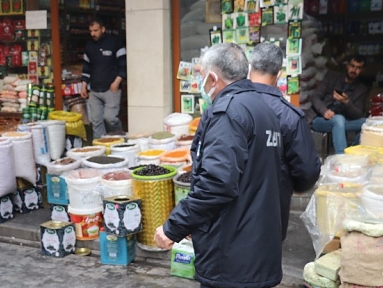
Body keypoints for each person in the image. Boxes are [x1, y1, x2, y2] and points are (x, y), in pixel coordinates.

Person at [154, 43, 284, 287]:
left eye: (202, 77)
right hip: (258, 249)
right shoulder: (263, 109)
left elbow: (216, 183)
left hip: (233, 257)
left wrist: (174, 227)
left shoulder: (228, 113)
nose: (203, 85)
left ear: (213, 78)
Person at [249, 43, 321, 240]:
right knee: (265, 265)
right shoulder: (290, 116)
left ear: (250, 68)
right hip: (271, 214)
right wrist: (293, 184)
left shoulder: (225, 106)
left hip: (229, 218)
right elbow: (307, 170)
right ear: (279, 74)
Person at [310, 55, 369, 154]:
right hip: (321, 119)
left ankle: (352, 152)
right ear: (347, 66)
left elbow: (358, 113)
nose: (354, 70)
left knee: (367, 123)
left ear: (362, 70)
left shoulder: (361, 89)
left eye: (358, 68)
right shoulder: (331, 77)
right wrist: (324, 111)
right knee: (339, 119)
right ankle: (341, 159)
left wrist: (346, 102)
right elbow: (315, 97)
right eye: (352, 66)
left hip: (344, 122)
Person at [80, 18, 127, 139]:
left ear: (103, 29)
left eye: (95, 30)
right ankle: (100, 148)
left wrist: (117, 82)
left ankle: (120, 140)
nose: (92, 34)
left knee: (110, 119)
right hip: (94, 90)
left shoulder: (115, 43)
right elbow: (86, 67)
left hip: (111, 89)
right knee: (96, 122)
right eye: (90, 31)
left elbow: (123, 64)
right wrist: (84, 85)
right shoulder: (89, 46)